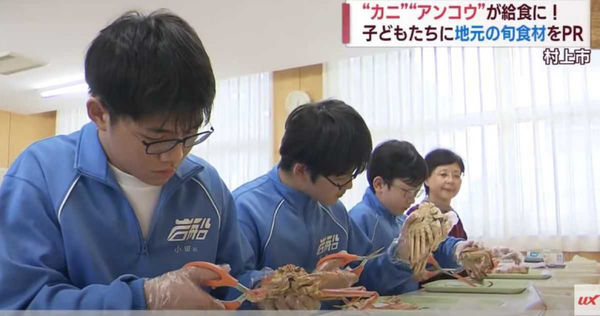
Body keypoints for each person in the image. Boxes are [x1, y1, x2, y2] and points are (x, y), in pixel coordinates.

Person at [0, 10, 250, 310]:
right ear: (100, 114)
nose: (175, 156)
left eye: (189, 135)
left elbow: (237, 280)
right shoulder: (41, 175)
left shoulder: (205, 184)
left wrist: (269, 291)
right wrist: (144, 299)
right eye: (157, 139)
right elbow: (19, 301)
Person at [233, 100, 471, 309]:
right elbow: (227, 290)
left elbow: (364, 275)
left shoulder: (335, 211)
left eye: (352, 176)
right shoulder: (248, 208)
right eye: (341, 179)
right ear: (302, 171)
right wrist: (282, 289)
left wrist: (400, 256)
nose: (348, 187)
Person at [349, 140, 479, 287]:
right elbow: (357, 279)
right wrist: (399, 255)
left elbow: (436, 246)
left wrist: (458, 249)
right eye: (406, 191)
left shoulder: (400, 218)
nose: (412, 199)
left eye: (416, 192)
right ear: (379, 184)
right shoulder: (359, 218)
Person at [406, 148, 468, 239]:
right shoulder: (416, 215)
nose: (450, 180)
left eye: (456, 175)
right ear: (426, 179)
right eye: (443, 174)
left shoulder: (453, 216)